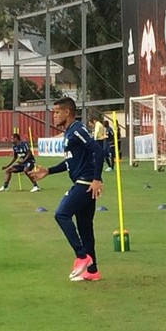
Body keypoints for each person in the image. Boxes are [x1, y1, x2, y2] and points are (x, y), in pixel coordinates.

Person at [31, 97, 104, 282]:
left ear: (67, 112)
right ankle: (92, 271)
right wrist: (49, 171)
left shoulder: (77, 129)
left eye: (56, 112)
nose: (54, 116)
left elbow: (98, 150)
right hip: (83, 183)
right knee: (85, 228)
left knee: (61, 214)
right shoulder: (70, 132)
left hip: (85, 183)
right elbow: (71, 161)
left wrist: (97, 179)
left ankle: (82, 257)